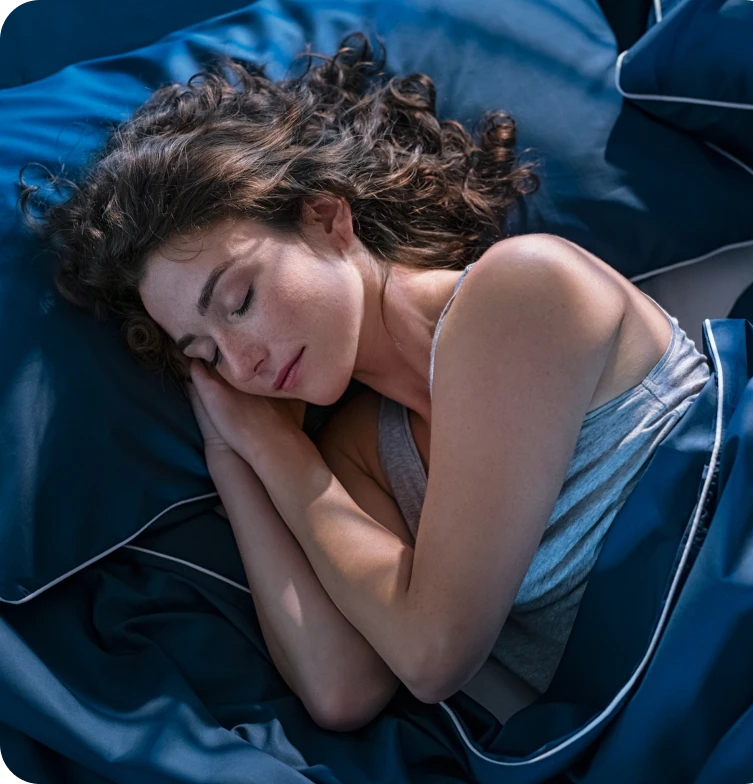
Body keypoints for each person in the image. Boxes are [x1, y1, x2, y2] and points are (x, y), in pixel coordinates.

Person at [17, 32, 711, 727]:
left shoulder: (522, 290)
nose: (243, 362)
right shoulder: (361, 455)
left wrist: (282, 454)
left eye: (239, 300)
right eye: (205, 353)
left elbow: (433, 654)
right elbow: (341, 688)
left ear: (326, 219)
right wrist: (237, 455)